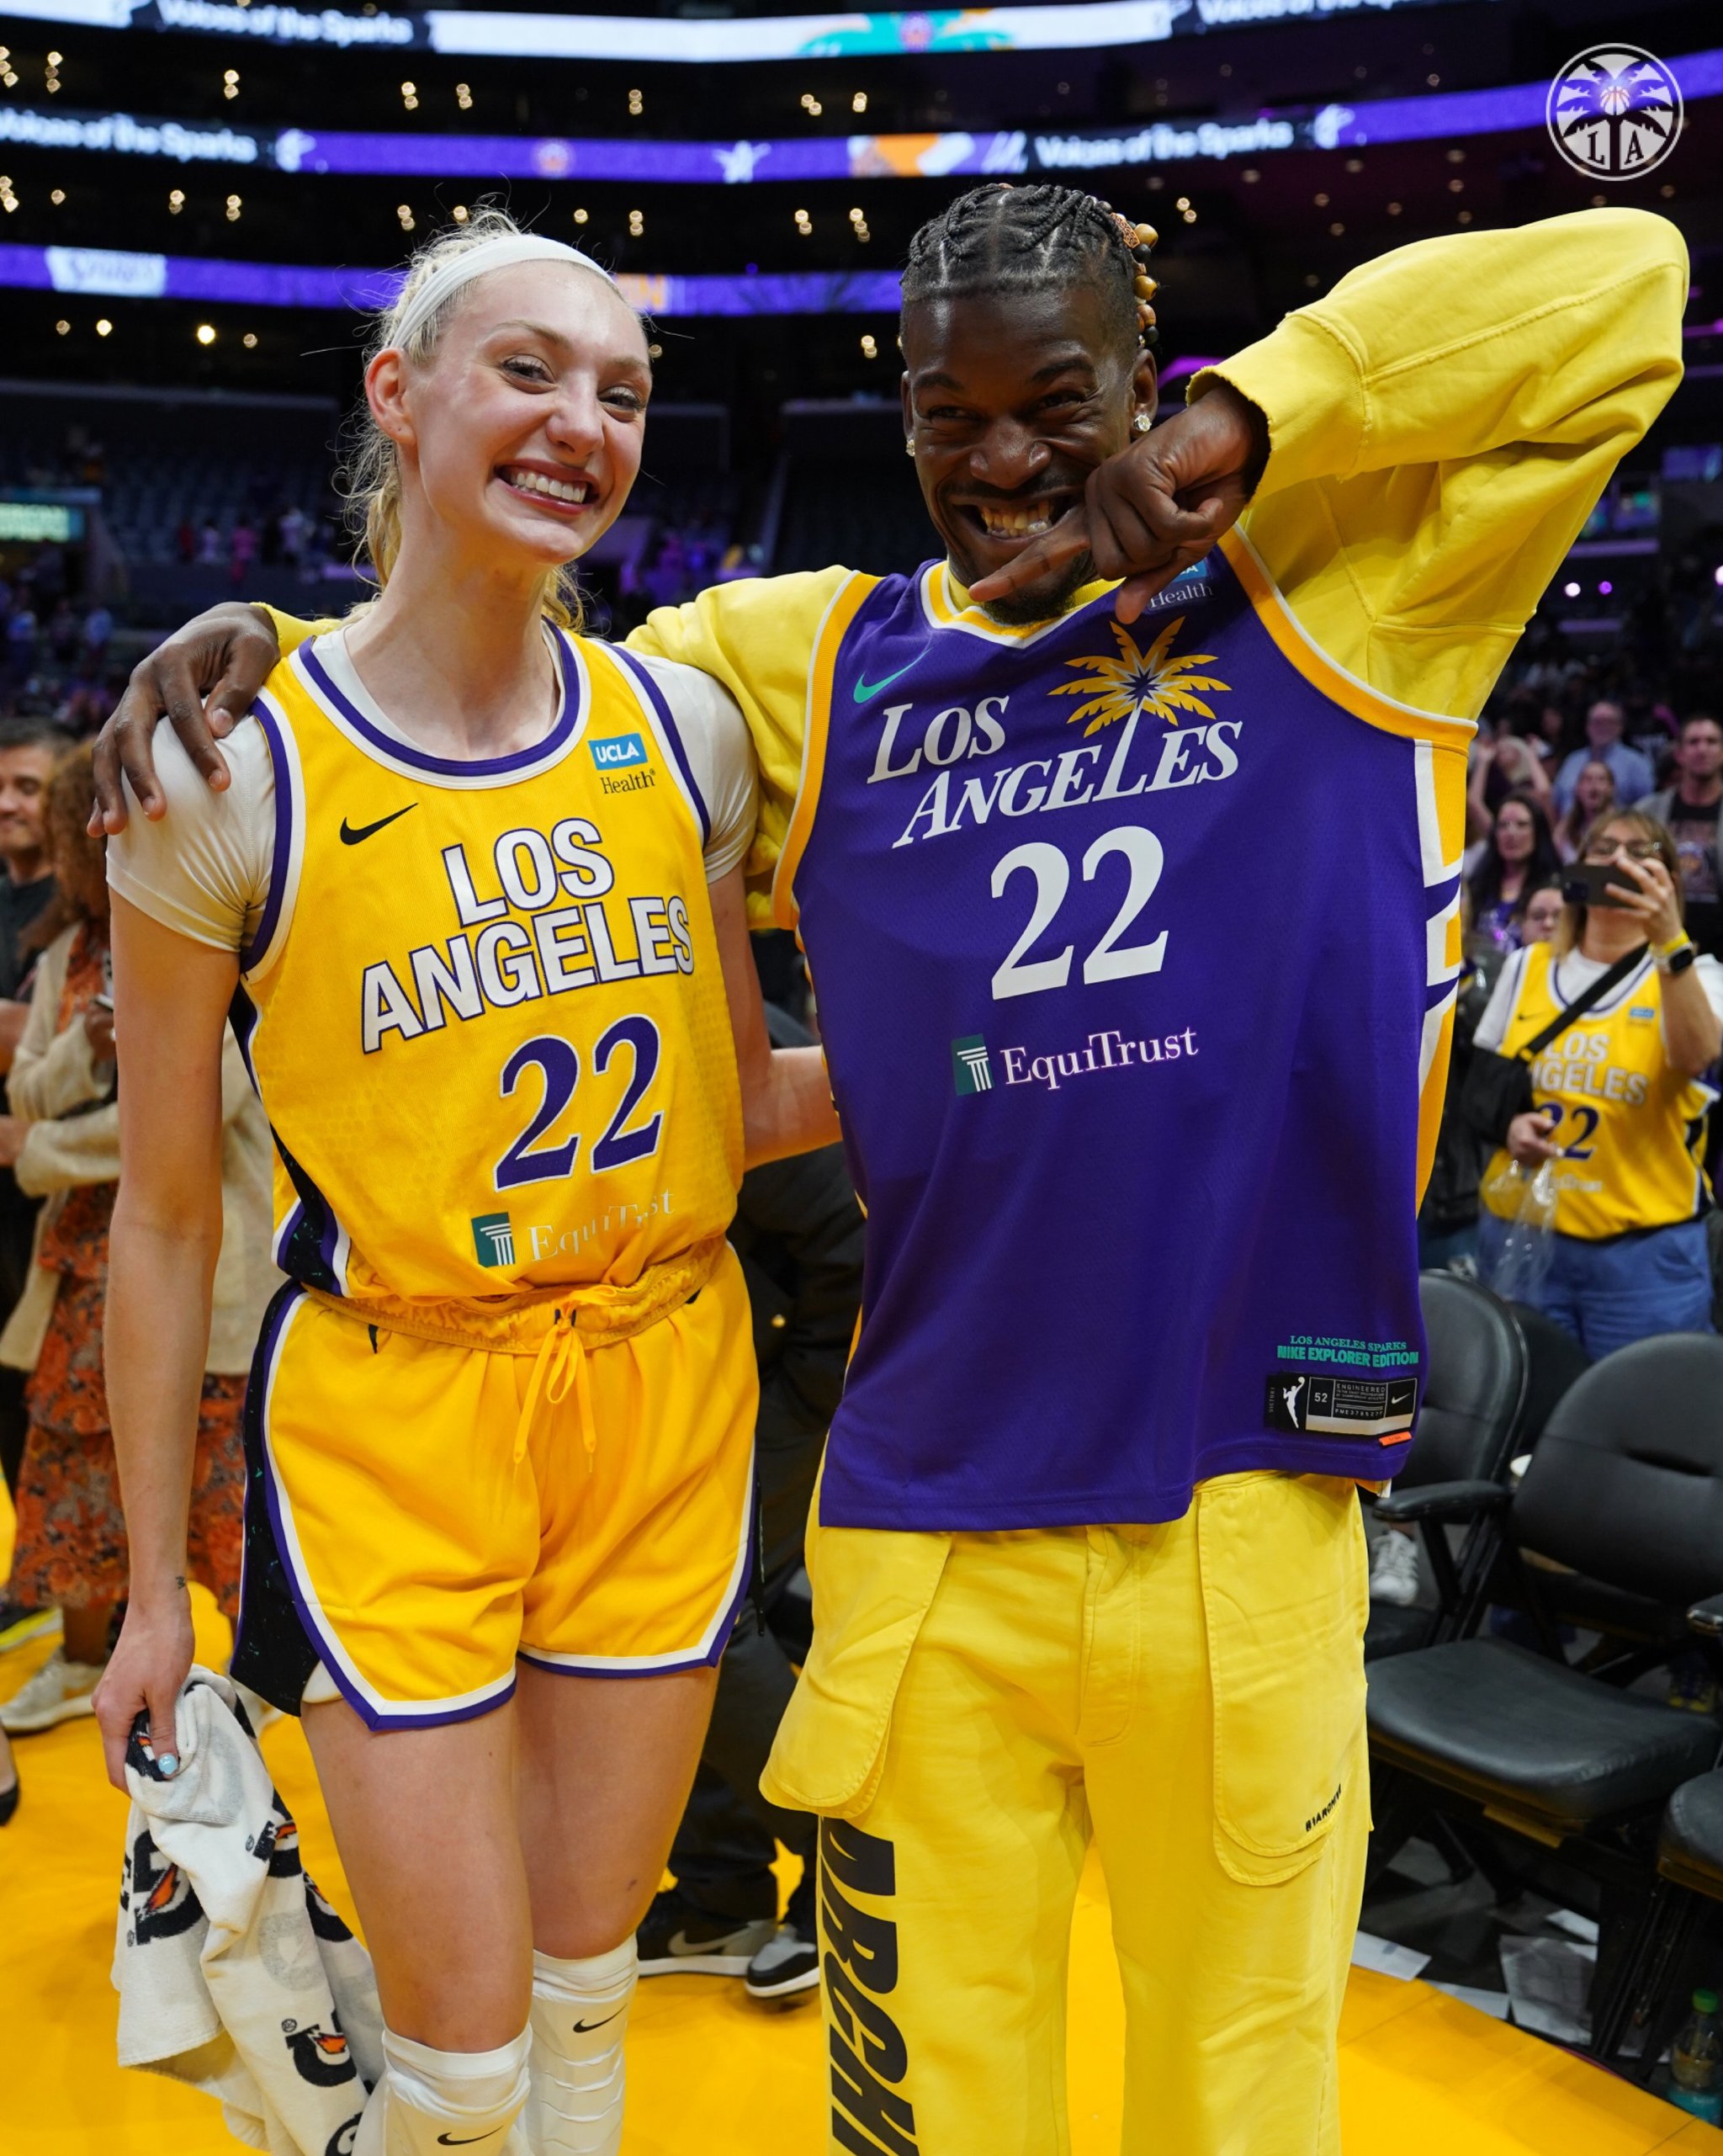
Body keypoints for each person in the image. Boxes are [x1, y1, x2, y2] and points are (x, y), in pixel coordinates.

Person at [93, 194, 1687, 2156]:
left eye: (1063, 403)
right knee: (930, 2121)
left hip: (1243, 1506)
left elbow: (1625, 293)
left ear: (1150, 392)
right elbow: (473, 681)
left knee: (1239, 2107)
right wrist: (265, 652)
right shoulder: (797, 666)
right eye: (950, 411)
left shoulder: (1344, 601)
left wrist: (1259, 415)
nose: (1003, 458)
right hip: (915, 1527)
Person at [94, 216, 835, 2156]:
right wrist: (157, 1596)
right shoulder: (220, 774)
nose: (580, 421)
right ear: (397, 394)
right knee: (455, 2062)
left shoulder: (681, 733)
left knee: (591, 2010)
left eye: (620, 392)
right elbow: (164, 1219)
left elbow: (736, 1105)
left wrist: (1050, 1068)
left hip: (664, 1388)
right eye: (528, 369)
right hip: (394, 1407)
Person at [0, 741, 271, 1734]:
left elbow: (206, 1113)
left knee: (225, 1484)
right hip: (79, 1270)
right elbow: (27, 1083)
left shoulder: (221, 943)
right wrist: (84, 1045)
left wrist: (38, 1150)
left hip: (212, 1269)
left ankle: (260, 1671)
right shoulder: (67, 955)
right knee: (69, 1471)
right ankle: (82, 1657)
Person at [639, 1000, 864, 2000]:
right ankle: (719, 1890)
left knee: (702, 1622)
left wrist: (798, 1401)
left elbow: (844, 1242)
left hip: (783, 1380)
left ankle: (844, 1859)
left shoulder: (706, 1024)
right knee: (668, 1630)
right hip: (685, 1377)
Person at [1476, 810, 1723, 1357]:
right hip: (1524, 1236)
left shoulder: (1698, 975)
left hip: (1643, 1257)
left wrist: (1669, 942)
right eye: (1604, 848)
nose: (1617, 860)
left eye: (1639, 852)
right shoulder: (1525, 967)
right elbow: (1481, 1094)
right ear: (1578, 870)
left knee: (1642, 1418)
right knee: (1520, 1415)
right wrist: (1510, 1124)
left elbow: (1696, 1056)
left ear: (1668, 881)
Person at [0, 718, 66, 1652]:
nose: (8, 804)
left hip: (52, 1186)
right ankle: (35, 1572)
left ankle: (63, 1579)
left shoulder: (85, 909)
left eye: (26, 786)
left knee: (42, 1388)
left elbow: (35, 1045)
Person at [1638, 712, 1723, 959]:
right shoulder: (1649, 812)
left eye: (1711, 741)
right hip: (1658, 945)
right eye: (1694, 742)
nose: (1702, 749)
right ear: (1679, 754)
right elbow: (1640, 857)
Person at [1466, 789, 1561, 953]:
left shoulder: (1553, 887)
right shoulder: (1478, 884)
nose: (1511, 833)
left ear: (1538, 832)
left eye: (1522, 825)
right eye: (1503, 825)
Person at [1552, 697, 1654, 813]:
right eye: (1597, 721)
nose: (1602, 727)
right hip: (1572, 829)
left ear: (1620, 727)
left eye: (1608, 721)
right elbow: (1556, 803)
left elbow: (1648, 809)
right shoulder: (1573, 760)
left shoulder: (1637, 763)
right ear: (1587, 727)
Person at [1555, 755, 1617, 864]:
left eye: (1601, 780)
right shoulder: (1567, 826)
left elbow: (1654, 845)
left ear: (1611, 788)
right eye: (1588, 779)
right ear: (1577, 789)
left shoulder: (1623, 822)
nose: (1594, 787)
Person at [1519, 878, 1566, 946]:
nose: (1548, 924)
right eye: (1538, 917)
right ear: (1522, 925)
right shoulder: (1514, 956)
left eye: (1559, 917)